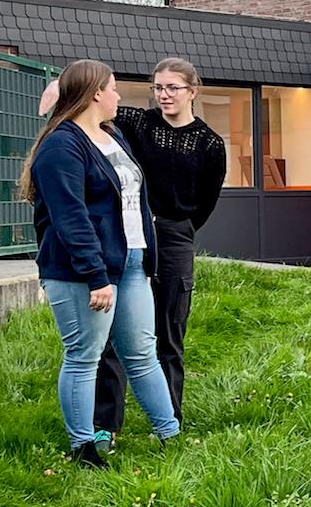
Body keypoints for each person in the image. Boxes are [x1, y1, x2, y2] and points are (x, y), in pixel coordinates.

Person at [21, 60, 180, 467]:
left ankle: (172, 436)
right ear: (95, 94)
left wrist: (142, 258)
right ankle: (84, 449)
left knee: (143, 353)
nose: (119, 96)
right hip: (82, 271)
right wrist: (96, 277)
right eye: (112, 89)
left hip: (130, 261)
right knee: (84, 356)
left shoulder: (112, 135)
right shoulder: (61, 146)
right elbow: (70, 217)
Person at [93, 60, 226, 438]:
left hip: (174, 237)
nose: (164, 95)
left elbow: (205, 202)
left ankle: (168, 423)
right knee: (113, 330)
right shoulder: (139, 123)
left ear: (192, 92)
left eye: (173, 88)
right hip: (130, 230)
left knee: (169, 331)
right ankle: (106, 424)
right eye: (158, 88)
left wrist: (175, 228)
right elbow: (96, 106)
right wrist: (59, 89)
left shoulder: (210, 144)